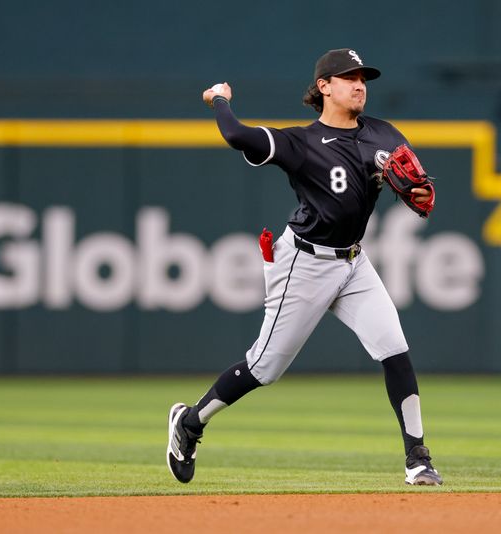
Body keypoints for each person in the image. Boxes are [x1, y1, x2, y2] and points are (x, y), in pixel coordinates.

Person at [166, 48, 442, 486]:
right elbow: (237, 135)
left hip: (353, 260)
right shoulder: (300, 143)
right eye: (348, 77)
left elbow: (416, 183)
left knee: (395, 350)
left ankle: (418, 459)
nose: (359, 85)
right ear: (324, 87)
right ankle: (191, 422)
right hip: (304, 262)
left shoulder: (384, 133)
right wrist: (219, 100)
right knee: (264, 367)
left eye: (363, 78)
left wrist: (416, 190)